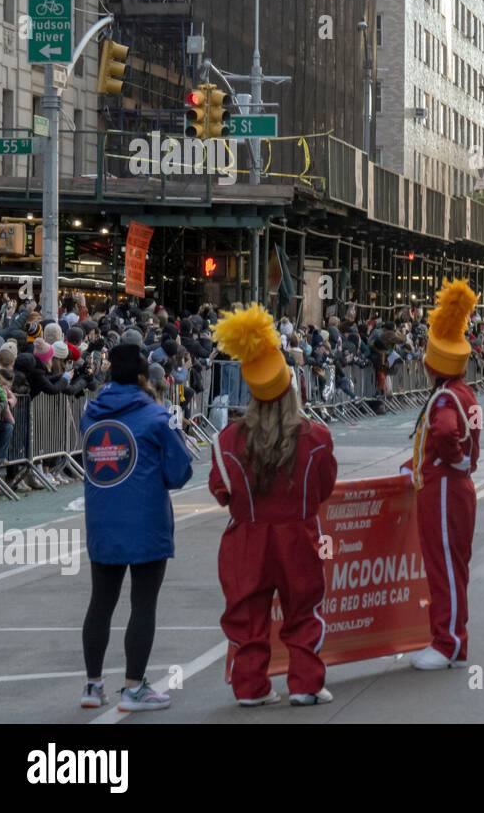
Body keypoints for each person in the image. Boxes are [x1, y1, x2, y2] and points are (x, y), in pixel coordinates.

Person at [208, 304, 338, 707]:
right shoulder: (316, 438)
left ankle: (251, 686)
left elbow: (220, 492)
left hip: (247, 538)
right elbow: (324, 488)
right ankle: (305, 684)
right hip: (298, 533)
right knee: (303, 609)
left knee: (248, 613)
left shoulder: (227, 441)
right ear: (290, 387)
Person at [78, 343, 194, 711]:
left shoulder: (90, 414)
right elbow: (179, 471)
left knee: (101, 601)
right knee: (143, 604)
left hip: (102, 517)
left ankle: (92, 685)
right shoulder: (156, 416)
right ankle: (133, 687)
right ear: (144, 375)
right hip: (146, 518)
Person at [402, 280, 482, 669]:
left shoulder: (446, 398)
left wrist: (453, 459)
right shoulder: (463, 392)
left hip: (446, 489)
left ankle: (448, 642)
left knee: (444, 566)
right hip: (453, 486)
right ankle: (449, 636)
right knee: (451, 565)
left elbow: (446, 432)